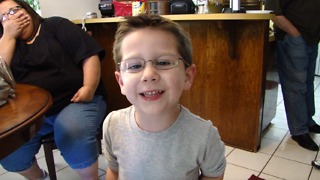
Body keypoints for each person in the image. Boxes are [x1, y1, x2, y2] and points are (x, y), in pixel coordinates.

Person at [102, 14, 226, 180]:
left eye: (163, 62)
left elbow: (213, 176)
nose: (149, 75)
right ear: (121, 82)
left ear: (187, 77)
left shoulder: (204, 136)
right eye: (135, 65)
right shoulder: (112, 125)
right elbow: (114, 171)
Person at [0, 0, 106, 179]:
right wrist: (8, 37)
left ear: (27, 9)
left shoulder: (56, 25)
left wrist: (89, 87)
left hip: (76, 101)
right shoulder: (7, 43)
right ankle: (41, 177)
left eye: (15, 9)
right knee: (9, 151)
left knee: (72, 131)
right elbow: (1, 77)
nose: (13, 16)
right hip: (32, 114)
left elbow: (89, 54)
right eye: (4, 16)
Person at [269, 0, 320, 151]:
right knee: (295, 85)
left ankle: (307, 121)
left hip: (311, 38)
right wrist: (295, 34)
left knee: (307, 82)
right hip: (294, 38)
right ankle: (299, 130)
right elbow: (273, 12)